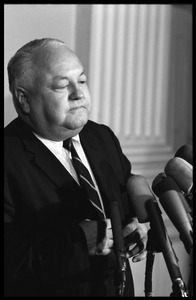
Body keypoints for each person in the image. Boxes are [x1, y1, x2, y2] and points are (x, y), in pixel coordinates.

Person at [4, 38, 148, 297]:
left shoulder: (102, 137)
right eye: (62, 86)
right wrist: (79, 241)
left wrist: (134, 227)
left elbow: (122, 200)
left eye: (81, 81)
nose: (78, 93)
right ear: (24, 99)